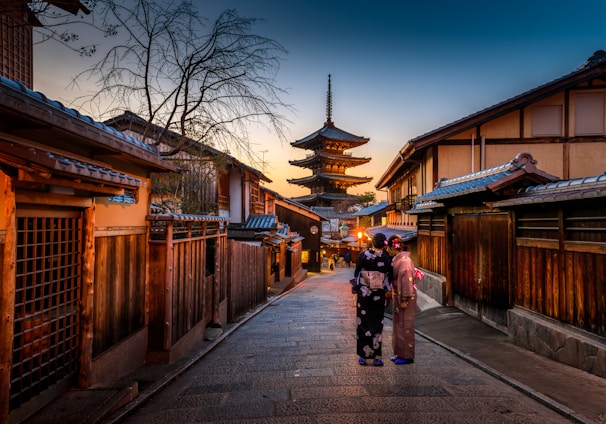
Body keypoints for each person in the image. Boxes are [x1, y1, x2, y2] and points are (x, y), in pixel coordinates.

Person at [352, 233, 393, 366]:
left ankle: (363, 356)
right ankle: (377, 357)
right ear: (383, 244)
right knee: (377, 323)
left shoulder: (363, 256)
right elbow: (389, 277)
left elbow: (357, 273)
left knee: (362, 323)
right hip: (378, 295)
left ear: (372, 243)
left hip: (364, 295)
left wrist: (359, 286)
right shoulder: (387, 258)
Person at [386, 234, 417, 364]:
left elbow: (407, 280)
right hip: (398, 295)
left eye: (388, 248)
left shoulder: (404, 261)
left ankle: (407, 356)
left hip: (405, 297)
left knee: (406, 325)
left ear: (394, 247)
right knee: (398, 324)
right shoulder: (398, 259)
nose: (387, 250)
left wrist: (404, 299)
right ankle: (399, 353)